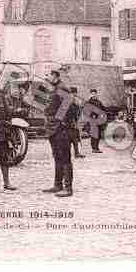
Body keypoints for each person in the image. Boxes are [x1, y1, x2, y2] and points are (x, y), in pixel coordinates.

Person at [42, 70, 75, 198]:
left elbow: (68, 107)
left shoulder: (62, 88)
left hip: (61, 129)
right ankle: (57, 185)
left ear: (55, 75)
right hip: (54, 128)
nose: (47, 77)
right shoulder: (56, 88)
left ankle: (68, 188)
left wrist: (60, 123)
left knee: (65, 158)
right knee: (57, 156)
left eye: (48, 74)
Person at [87, 89, 107, 153]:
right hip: (93, 120)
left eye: (95, 93)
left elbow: (103, 109)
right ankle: (93, 148)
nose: (94, 95)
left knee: (98, 134)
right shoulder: (89, 102)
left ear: (96, 94)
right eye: (92, 93)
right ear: (90, 94)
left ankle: (97, 147)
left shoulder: (99, 102)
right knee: (94, 134)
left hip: (99, 120)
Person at [69, 87, 85, 159]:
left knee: (75, 138)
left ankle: (77, 153)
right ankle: (67, 154)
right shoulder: (67, 101)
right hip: (68, 123)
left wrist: (81, 107)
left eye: (74, 93)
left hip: (74, 123)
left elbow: (77, 113)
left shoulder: (75, 102)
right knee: (68, 139)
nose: (73, 95)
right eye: (72, 93)